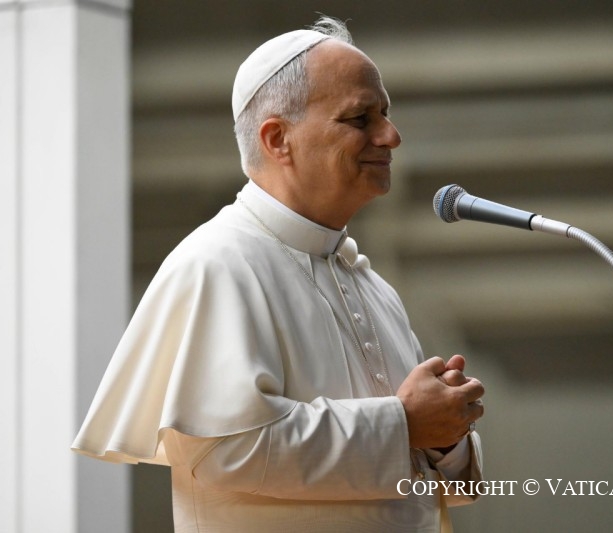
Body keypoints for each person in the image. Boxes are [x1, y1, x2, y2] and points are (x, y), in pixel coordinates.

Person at [72, 16, 485, 532]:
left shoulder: (372, 286)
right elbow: (225, 451)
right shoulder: (217, 263)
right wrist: (402, 423)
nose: (391, 135)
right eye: (360, 118)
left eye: (386, 114)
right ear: (277, 139)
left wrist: (445, 435)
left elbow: (421, 478)